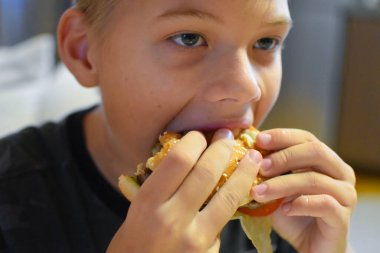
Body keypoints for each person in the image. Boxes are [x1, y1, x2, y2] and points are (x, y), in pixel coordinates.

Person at [0, 0, 357, 252]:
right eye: (188, 37)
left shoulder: (283, 210)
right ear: (84, 50)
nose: (248, 86)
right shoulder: (12, 196)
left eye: (266, 42)